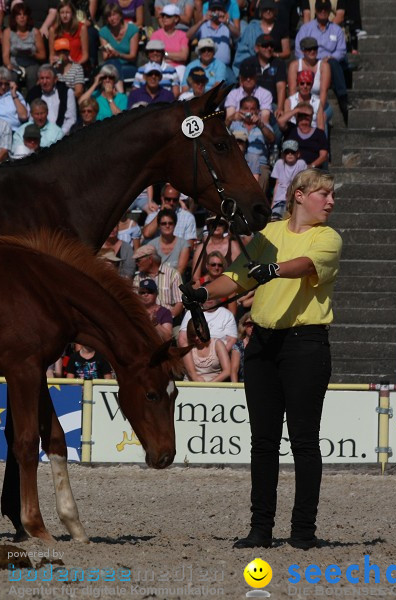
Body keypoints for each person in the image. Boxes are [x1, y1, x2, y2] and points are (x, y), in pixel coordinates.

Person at [181, 168, 341, 549]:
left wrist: (272, 269)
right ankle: (261, 529)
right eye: (324, 195)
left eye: (332, 196)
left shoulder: (327, 238)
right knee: (263, 442)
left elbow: (303, 266)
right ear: (299, 195)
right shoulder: (270, 235)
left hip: (306, 343)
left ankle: (303, 531)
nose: (331, 202)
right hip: (263, 344)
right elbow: (237, 280)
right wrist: (202, 294)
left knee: (304, 441)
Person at [294, 0, 349, 124]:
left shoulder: (336, 29)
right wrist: (310, 59)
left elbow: (341, 50)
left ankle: (343, 98)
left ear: (329, 11)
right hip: (309, 61)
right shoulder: (306, 28)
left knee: (334, 63)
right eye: (320, 9)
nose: (323, 11)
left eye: (325, 9)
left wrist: (330, 57)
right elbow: (298, 49)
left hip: (328, 62)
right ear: (316, 10)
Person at [288, 37, 330, 128]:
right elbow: (292, 91)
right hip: (298, 103)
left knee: (322, 120)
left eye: (314, 48)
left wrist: (318, 110)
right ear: (303, 50)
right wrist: (301, 109)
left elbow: (324, 92)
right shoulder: (294, 65)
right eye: (308, 49)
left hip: (320, 104)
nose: (312, 51)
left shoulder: (324, 66)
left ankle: (322, 141)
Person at [2, 3, 45, 91]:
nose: (22, 17)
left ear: (28, 17)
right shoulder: (8, 32)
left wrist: (32, 54)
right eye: (19, 14)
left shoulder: (35, 32)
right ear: (15, 17)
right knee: (11, 75)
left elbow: (43, 55)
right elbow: (5, 55)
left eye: (24, 14)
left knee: (33, 75)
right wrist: (8, 65)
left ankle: (32, 100)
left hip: (31, 63)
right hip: (14, 63)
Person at [133, 244, 183, 318]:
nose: (136, 263)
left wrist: (168, 319)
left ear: (150, 259)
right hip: (147, 320)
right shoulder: (138, 278)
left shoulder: (173, 274)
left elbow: (180, 303)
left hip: (170, 320)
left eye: (138, 260)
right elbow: (135, 303)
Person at [186, 0, 239, 69]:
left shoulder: (227, 24)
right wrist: (202, 20)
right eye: (213, 10)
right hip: (204, 66)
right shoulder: (203, 25)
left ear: (223, 11)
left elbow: (238, 35)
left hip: (224, 67)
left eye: (219, 10)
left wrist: (226, 22)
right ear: (209, 11)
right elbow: (188, 35)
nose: (216, 13)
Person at [25, 64, 76, 134]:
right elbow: (31, 119)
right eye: (42, 78)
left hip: (62, 134)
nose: (44, 82)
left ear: (55, 79)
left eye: (47, 78)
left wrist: (60, 134)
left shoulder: (66, 92)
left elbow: (71, 119)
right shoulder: (33, 94)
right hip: (39, 134)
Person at [280, 101, 328, 169]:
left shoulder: (319, 133)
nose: (304, 118)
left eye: (306, 115)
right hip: (291, 169)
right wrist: (297, 110)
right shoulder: (291, 129)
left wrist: (310, 166)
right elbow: (280, 121)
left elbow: (324, 156)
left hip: (312, 170)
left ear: (311, 116)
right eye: (301, 115)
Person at [98, 4, 139, 81]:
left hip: (127, 65)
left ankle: (118, 90)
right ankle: (120, 91)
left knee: (113, 70)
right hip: (111, 65)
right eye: (109, 16)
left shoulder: (132, 29)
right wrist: (111, 54)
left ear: (120, 15)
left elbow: (133, 56)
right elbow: (105, 57)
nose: (112, 19)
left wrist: (119, 55)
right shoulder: (103, 32)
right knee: (113, 63)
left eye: (114, 15)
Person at [270, 140, 307, 219]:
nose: (290, 154)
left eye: (292, 152)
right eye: (287, 152)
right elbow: (277, 184)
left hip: (294, 199)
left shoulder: (301, 164)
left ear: (298, 154)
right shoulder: (279, 163)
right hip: (279, 200)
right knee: (275, 217)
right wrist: (273, 203)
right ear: (283, 154)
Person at [49, 0, 88, 69]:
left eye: (67, 12)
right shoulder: (53, 30)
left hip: (77, 66)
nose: (65, 15)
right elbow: (52, 55)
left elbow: (85, 55)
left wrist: (75, 67)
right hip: (60, 67)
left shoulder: (82, 28)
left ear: (72, 14)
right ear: (59, 14)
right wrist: (55, 64)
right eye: (62, 13)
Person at [150, 4, 189, 71]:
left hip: (178, 68)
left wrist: (164, 54)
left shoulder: (183, 35)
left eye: (168, 16)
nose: (164, 18)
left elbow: (183, 56)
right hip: (160, 67)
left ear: (176, 19)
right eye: (163, 15)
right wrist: (175, 56)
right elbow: (154, 55)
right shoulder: (155, 35)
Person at [230, 312, 254, 382]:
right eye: (249, 324)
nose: (252, 327)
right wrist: (235, 389)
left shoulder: (263, 345)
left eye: (255, 325)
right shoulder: (238, 347)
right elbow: (234, 371)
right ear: (244, 326)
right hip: (243, 384)